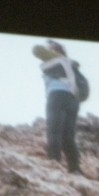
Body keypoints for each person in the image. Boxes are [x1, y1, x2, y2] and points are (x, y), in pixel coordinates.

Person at [33, 39, 83, 174]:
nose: (48, 50)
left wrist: (50, 49)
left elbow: (36, 49)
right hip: (73, 100)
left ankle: (53, 161)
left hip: (57, 95)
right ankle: (75, 168)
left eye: (51, 48)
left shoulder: (57, 60)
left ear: (56, 51)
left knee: (54, 129)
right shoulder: (71, 65)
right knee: (68, 135)